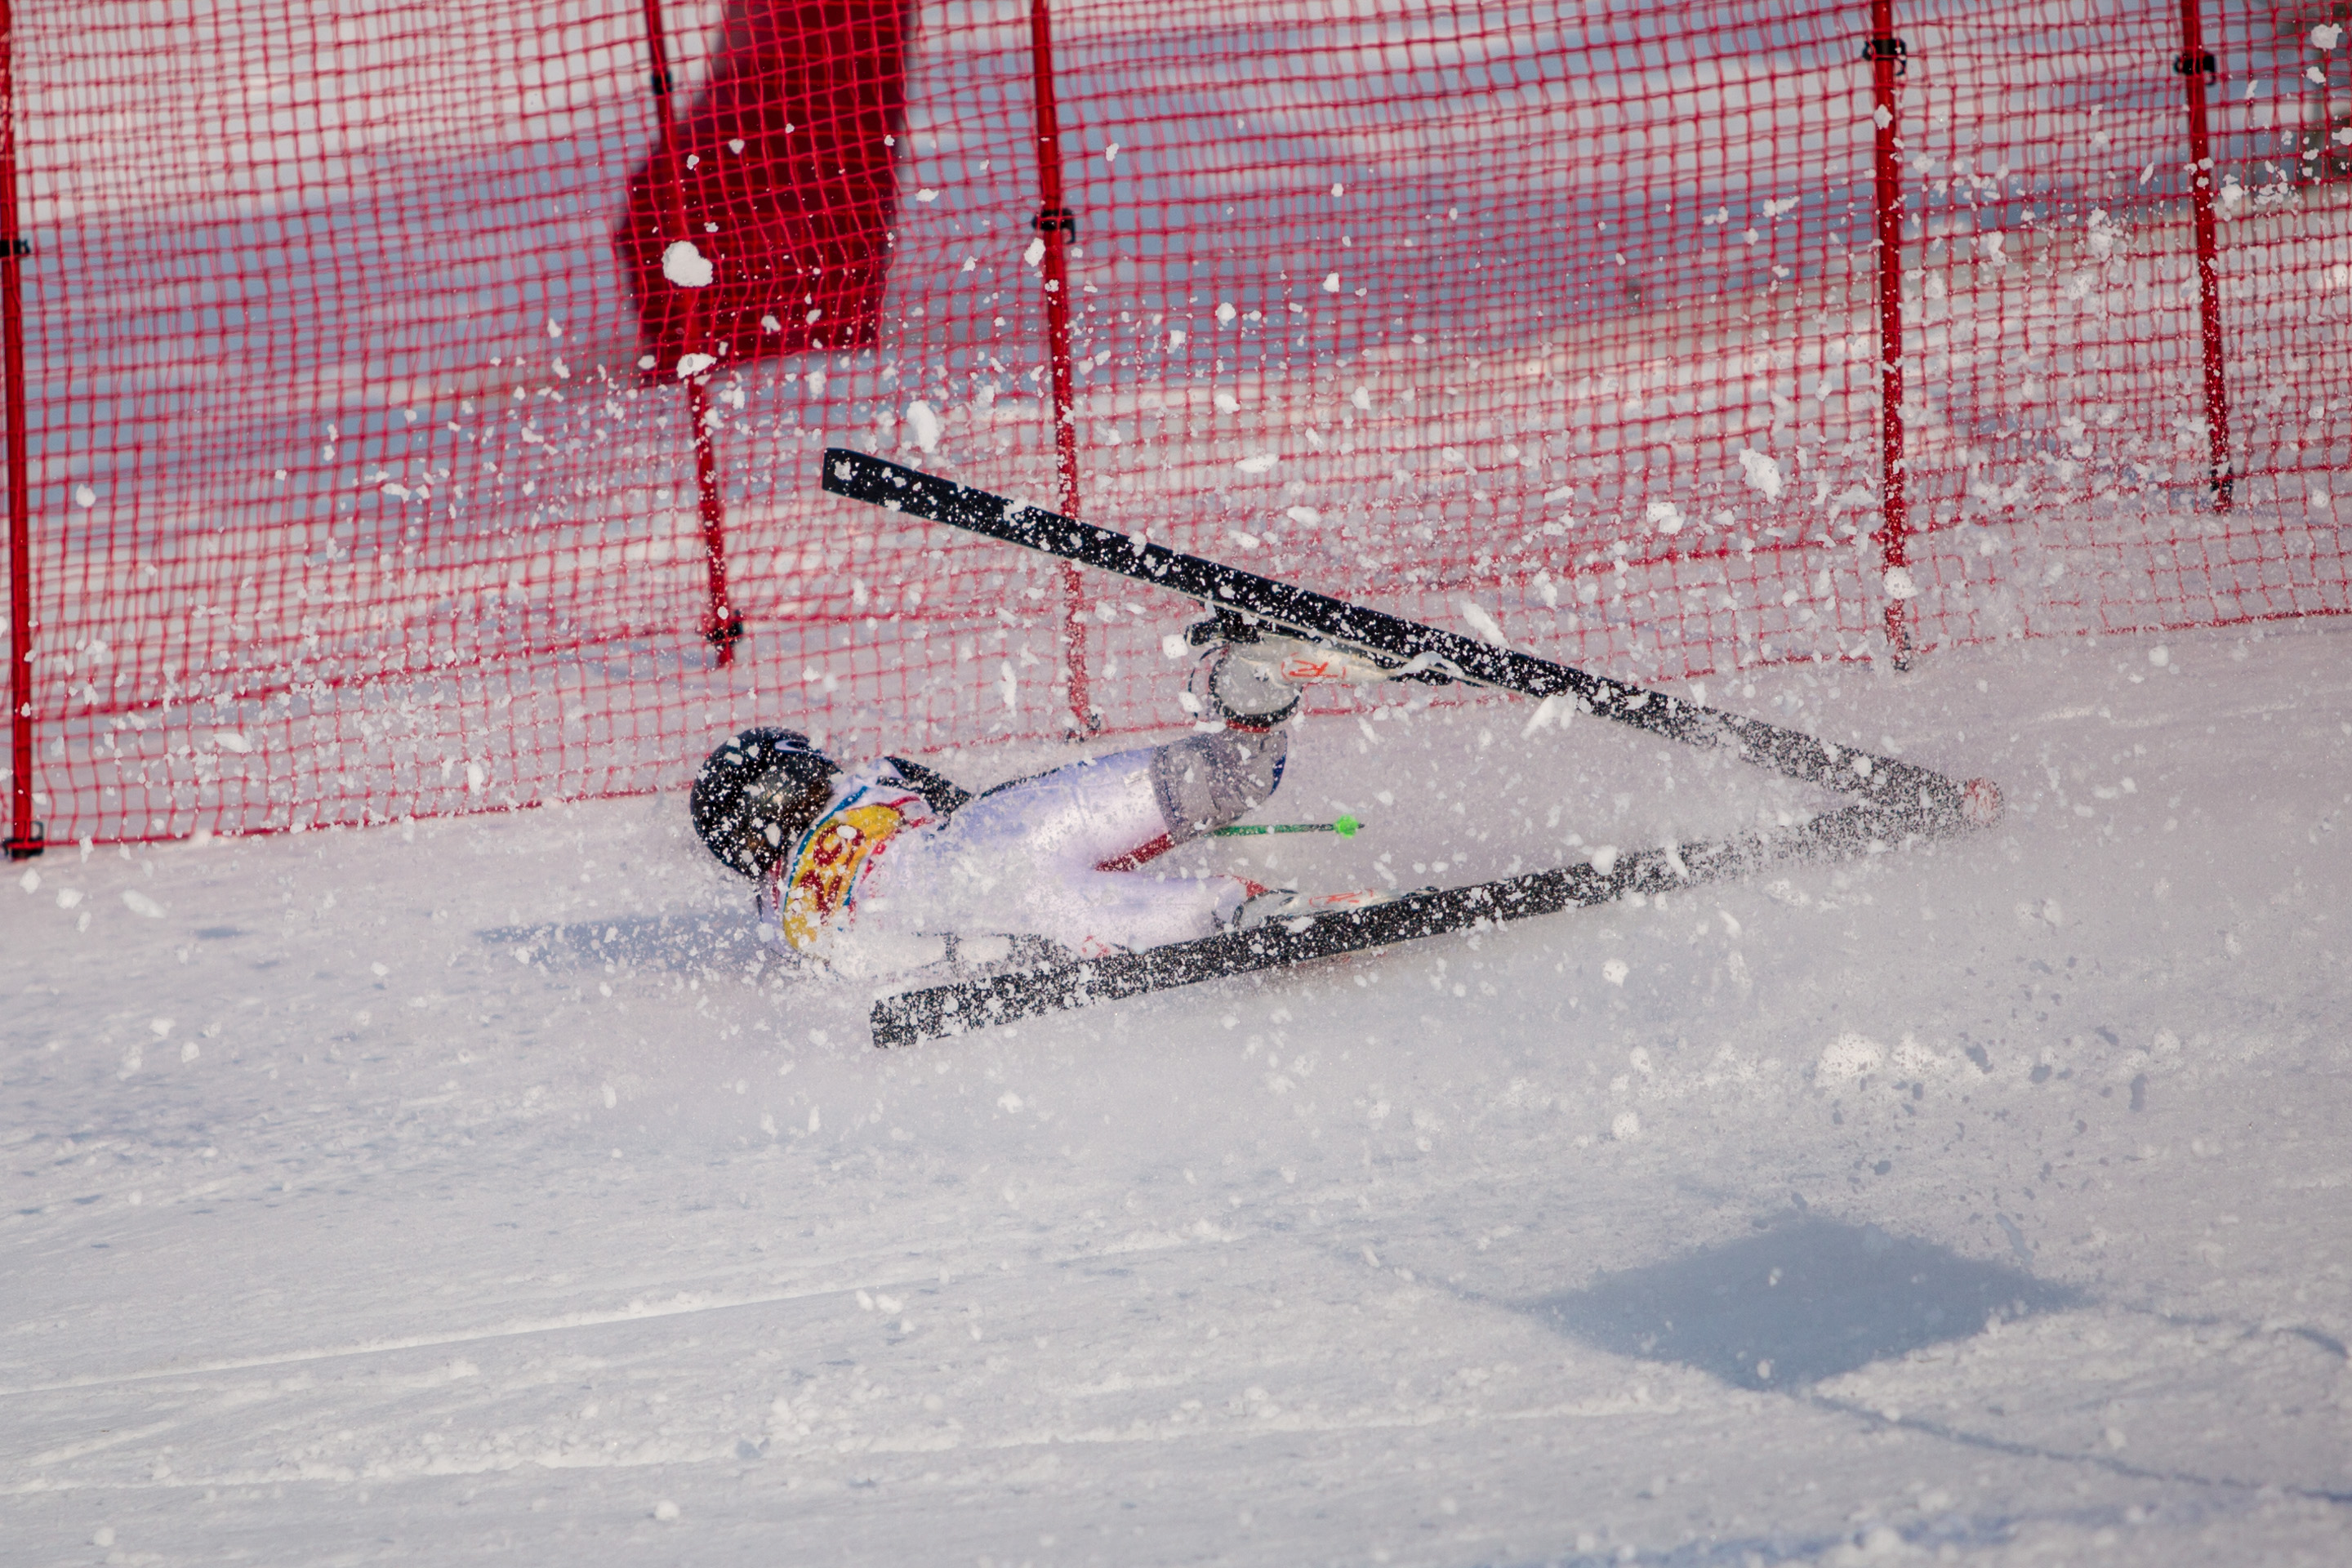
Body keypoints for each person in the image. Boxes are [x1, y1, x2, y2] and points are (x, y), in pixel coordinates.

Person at [690, 644, 1318, 974]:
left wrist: (957, 963)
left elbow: (850, 959)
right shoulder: (871, 778)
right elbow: (966, 805)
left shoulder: (780, 908)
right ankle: (1253, 695)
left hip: (967, 903)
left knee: (1171, 914)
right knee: (1215, 780)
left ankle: (1244, 910)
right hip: (993, 838)